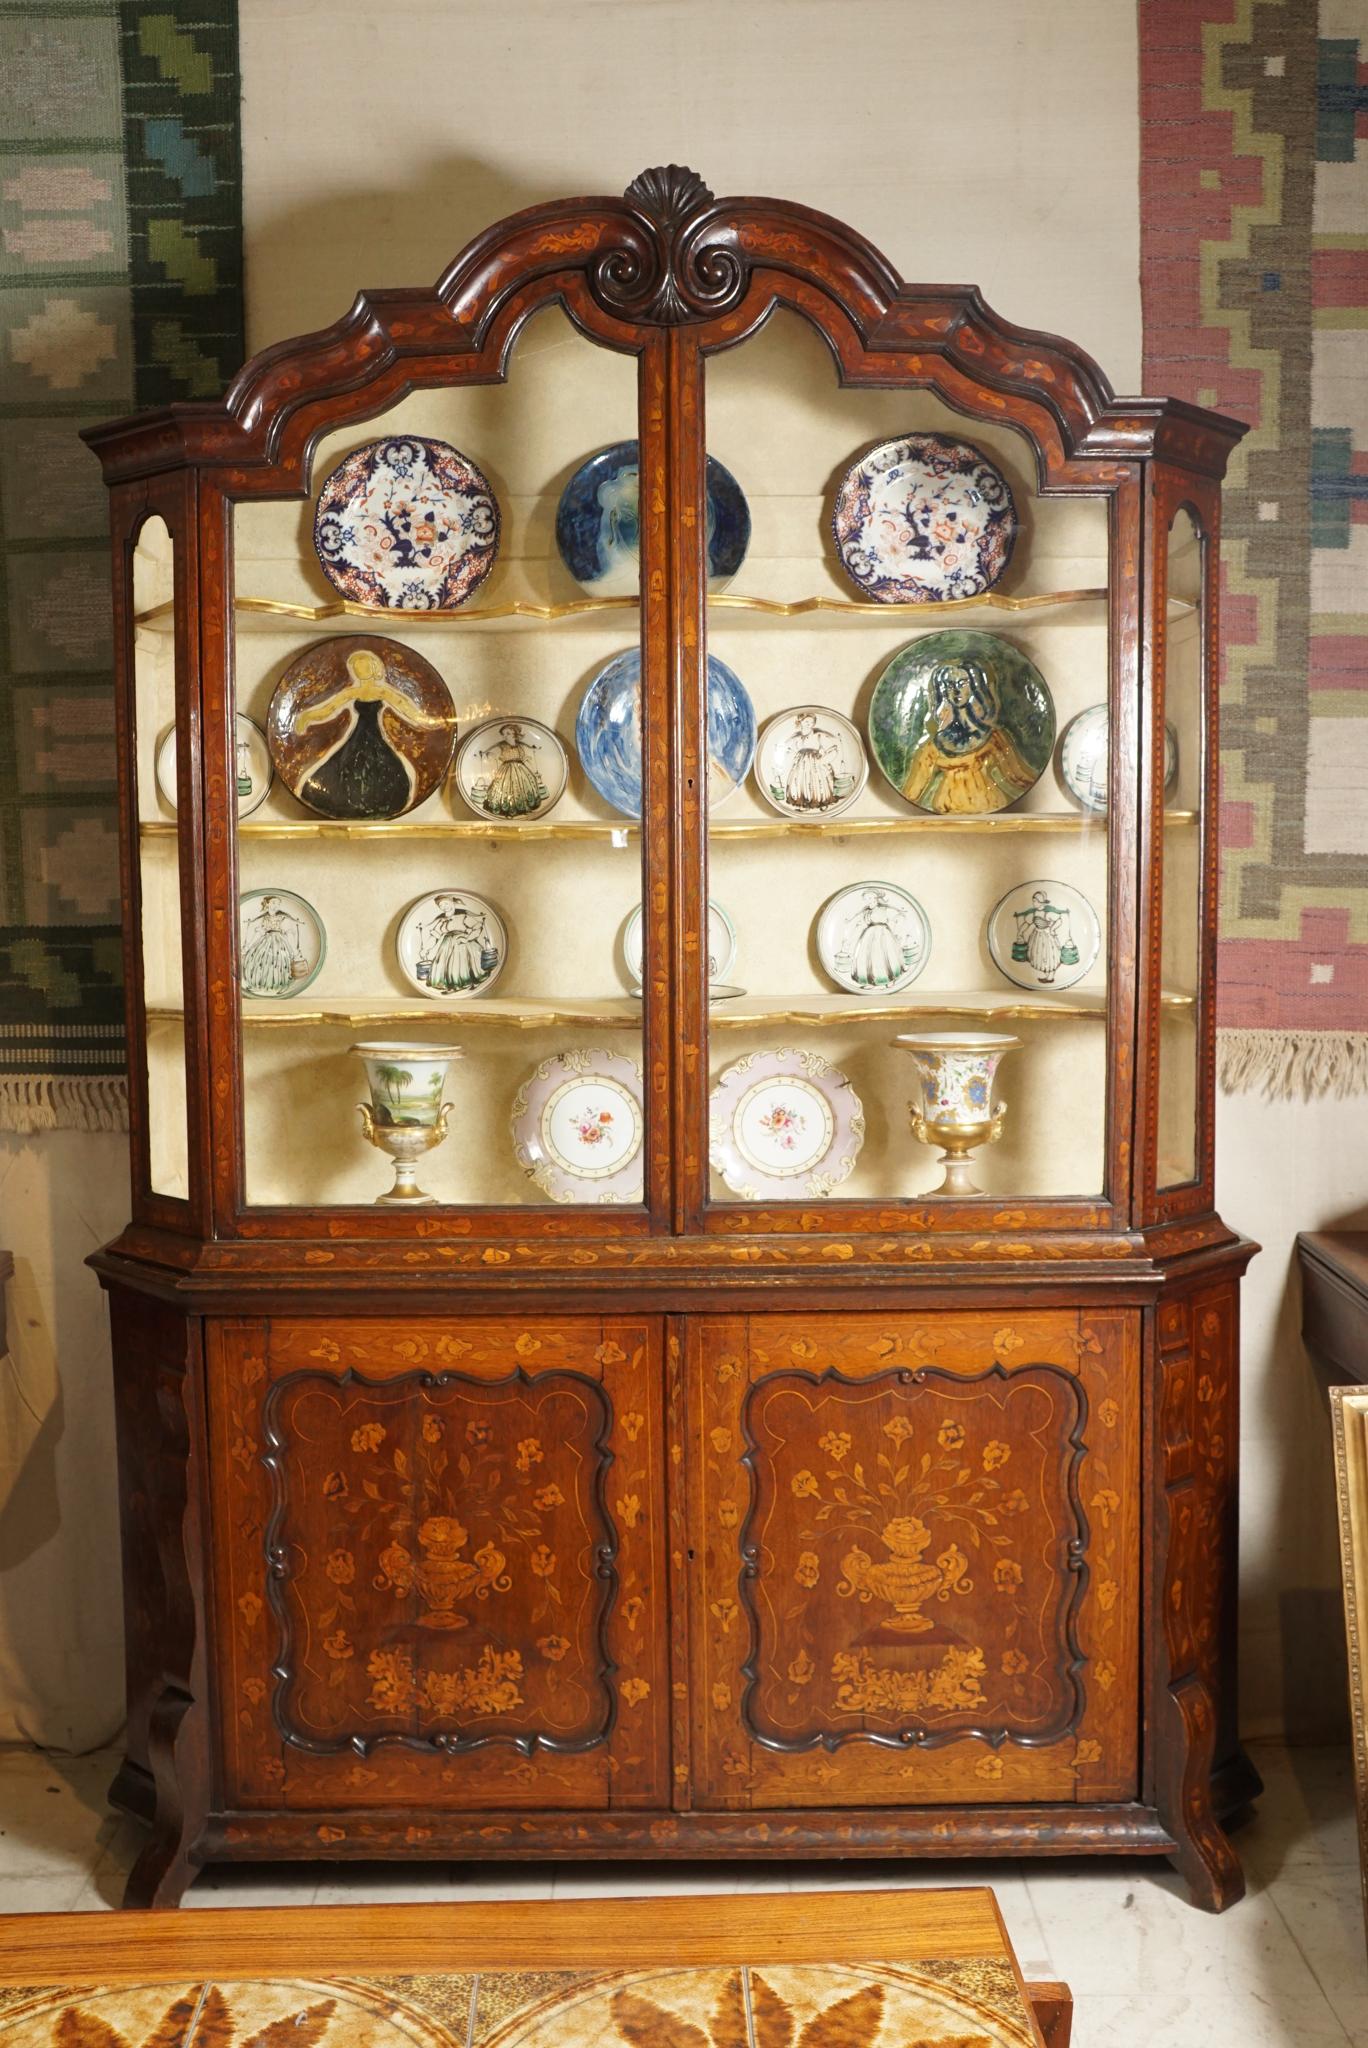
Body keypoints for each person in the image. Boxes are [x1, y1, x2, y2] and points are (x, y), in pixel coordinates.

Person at [900, 656, 1040, 814]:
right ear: (943, 691)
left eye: (962, 683)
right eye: (949, 685)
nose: (956, 691)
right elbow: (912, 792)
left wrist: (1044, 793)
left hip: (987, 807)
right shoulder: (934, 746)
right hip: (947, 812)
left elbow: (1017, 777)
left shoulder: (992, 738)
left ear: (973, 687)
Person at [422, 894, 490, 993]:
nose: (444, 907)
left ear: (452, 903)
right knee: (446, 964)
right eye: (441, 906)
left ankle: (470, 982)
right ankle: (453, 986)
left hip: (463, 943)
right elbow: (435, 935)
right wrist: (426, 949)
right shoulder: (441, 920)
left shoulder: (463, 916)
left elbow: (477, 927)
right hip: (447, 945)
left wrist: (467, 938)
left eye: (446, 903)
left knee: (462, 963)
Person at [473, 722, 544, 817]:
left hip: (520, 768)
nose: (505, 736)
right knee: (505, 787)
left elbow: (528, 746)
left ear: (514, 734)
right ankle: (508, 809)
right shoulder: (502, 744)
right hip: (506, 769)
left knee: (523, 786)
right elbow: (492, 747)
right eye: (504, 734)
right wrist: (484, 752)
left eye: (508, 733)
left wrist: (533, 747)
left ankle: (524, 807)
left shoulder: (519, 744)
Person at [241, 895, 302, 995]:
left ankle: (282, 985)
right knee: (259, 961)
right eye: (274, 903)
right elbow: (260, 931)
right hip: (266, 940)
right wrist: (247, 946)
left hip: (279, 941)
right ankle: (259, 985)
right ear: (267, 904)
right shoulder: (264, 918)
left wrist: (294, 948)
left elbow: (289, 929)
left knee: (280, 962)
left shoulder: (281, 917)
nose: (276, 905)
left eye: (278, 904)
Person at [782, 711, 840, 812]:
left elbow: (832, 749)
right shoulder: (798, 738)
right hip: (801, 764)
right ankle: (804, 805)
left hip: (815, 763)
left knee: (818, 782)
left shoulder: (818, 736)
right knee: (800, 782)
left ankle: (822, 802)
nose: (809, 723)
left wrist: (824, 760)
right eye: (806, 721)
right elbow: (790, 750)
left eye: (811, 722)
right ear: (800, 722)